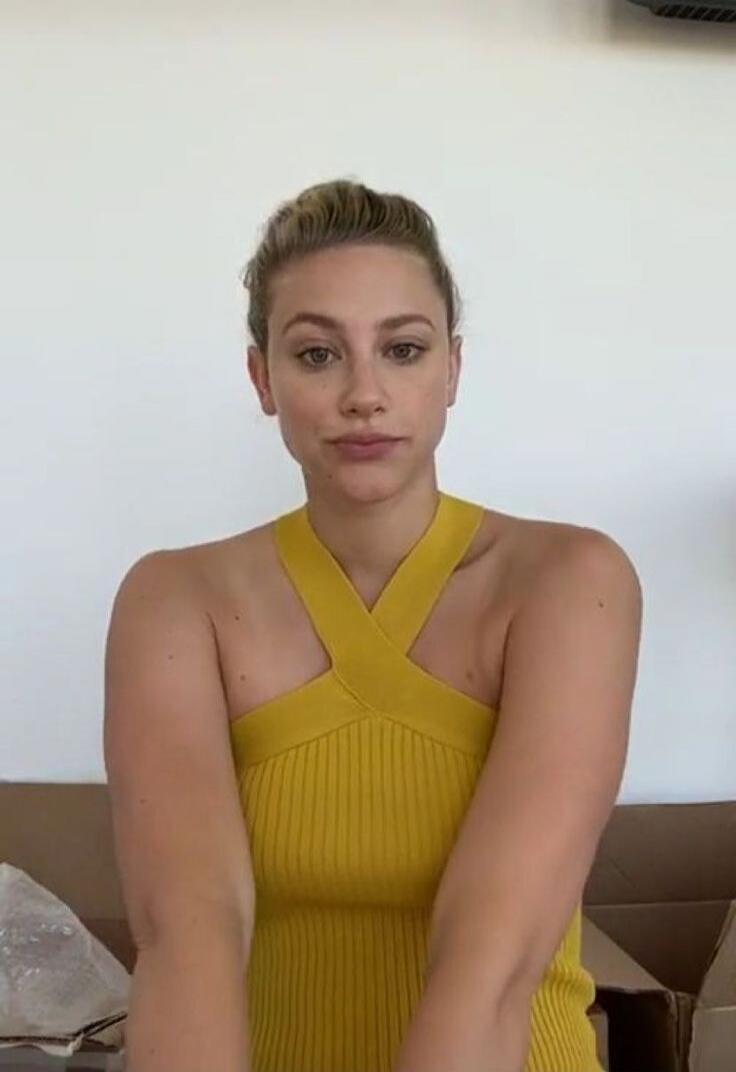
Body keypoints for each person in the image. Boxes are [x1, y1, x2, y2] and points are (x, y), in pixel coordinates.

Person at [104, 177, 643, 1072]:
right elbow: (185, 938)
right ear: (262, 378)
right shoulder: (172, 600)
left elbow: (492, 964)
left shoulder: (569, 582)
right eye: (317, 355)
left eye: (402, 349)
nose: (365, 394)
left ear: (452, 372)